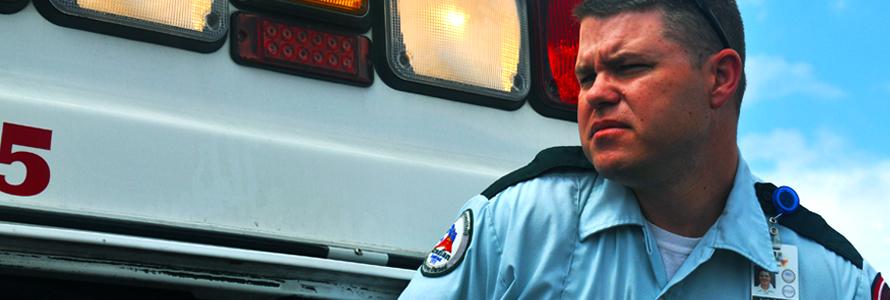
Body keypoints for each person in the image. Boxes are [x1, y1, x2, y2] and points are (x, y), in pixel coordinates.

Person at [398, 0, 886, 298]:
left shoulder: (834, 282)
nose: (596, 93)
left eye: (628, 67)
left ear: (720, 78)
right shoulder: (518, 225)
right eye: (586, 75)